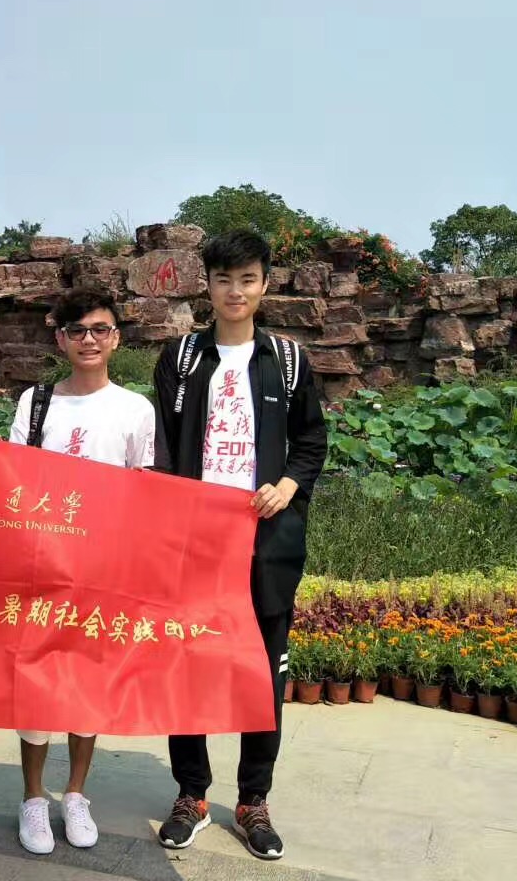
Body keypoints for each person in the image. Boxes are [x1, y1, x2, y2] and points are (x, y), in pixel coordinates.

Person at [151, 228, 327, 861]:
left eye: (247, 279)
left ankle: (254, 800)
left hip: (266, 541)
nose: (235, 291)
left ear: (264, 284)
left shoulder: (287, 359)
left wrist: (288, 485)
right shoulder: (181, 358)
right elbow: (161, 444)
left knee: (262, 671)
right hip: (193, 543)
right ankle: (191, 794)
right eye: (223, 279)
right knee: (186, 666)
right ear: (208, 285)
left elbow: (312, 440)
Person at [7, 287, 156, 855]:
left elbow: (145, 489)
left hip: (102, 569)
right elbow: (15, 479)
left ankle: (75, 793)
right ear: (60, 338)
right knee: (37, 683)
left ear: (115, 338)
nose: (88, 340)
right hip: (42, 565)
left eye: (99, 329)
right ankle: (33, 797)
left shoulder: (134, 409)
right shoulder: (36, 402)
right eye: (77, 330)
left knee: (88, 683)